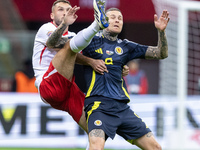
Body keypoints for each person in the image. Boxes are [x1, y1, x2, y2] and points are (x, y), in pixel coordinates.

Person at [82, 8, 169, 150]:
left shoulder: (126, 46)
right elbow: (68, 51)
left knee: (155, 147)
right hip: (99, 106)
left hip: (122, 108)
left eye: (120, 18)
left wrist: (161, 31)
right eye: (112, 17)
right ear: (103, 21)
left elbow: (161, 53)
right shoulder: (90, 41)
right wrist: (90, 61)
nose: (117, 20)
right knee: (96, 147)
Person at [32, 0, 109, 133]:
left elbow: (77, 56)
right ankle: (96, 25)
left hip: (67, 88)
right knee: (70, 45)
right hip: (47, 85)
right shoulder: (46, 28)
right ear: (52, 15)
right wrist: (64, 24)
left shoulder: (74, 38)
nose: (64, 13)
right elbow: (53, 43)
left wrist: (118, 67)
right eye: (60, 9)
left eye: (67, 10)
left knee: (95, 128)